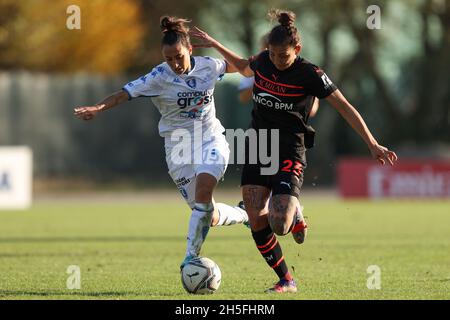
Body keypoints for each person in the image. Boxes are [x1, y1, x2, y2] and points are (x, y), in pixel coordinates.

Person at [190, 9, 398, 293]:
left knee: (280, 224)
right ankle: (286, 280)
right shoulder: (263, 61)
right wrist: (214, 43)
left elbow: (345, 107)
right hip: (259, 147)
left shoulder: (311, 74)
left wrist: (372, 143)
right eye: (273, 55)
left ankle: (294, 212)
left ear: (297, 50)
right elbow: (241, 65)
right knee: (254, 215)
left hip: (290, 148)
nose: (277, 60)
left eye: (284, 56)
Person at [74, 16, 249, 270]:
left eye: (179, 56)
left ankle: (190, 258)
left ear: (190, 49)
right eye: (169, 59)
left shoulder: (209, 66)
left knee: (203, 191)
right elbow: (124, 93)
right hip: (177, 147)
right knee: (206, 213)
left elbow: (244, 68)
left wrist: (215, 43)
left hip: (210, 138)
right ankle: (244, 213)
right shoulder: (158, 77)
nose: (175, 63)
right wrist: (98, 108)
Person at [238, 33, 320, 116]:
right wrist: (262, 82)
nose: (263, 53)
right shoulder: (256, 67)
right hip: (260, 120)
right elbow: (242, 97)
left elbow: (311, 112)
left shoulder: (300, 71)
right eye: (263, 49)